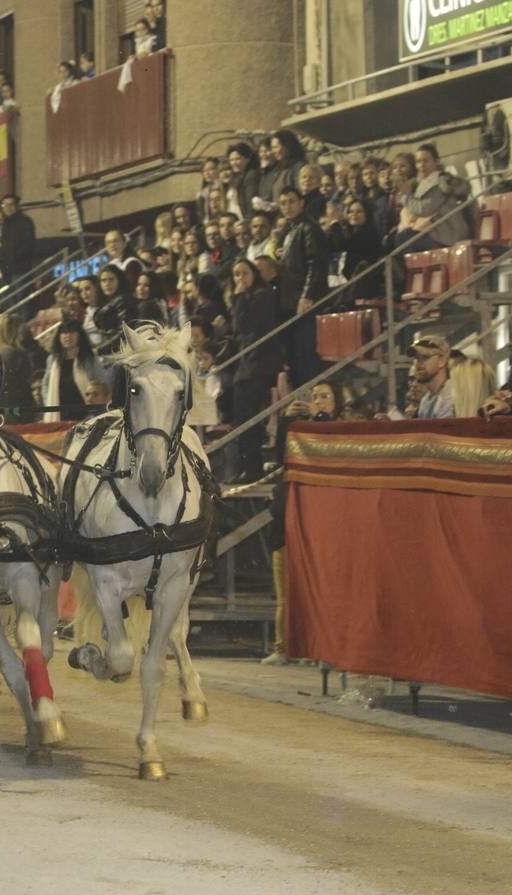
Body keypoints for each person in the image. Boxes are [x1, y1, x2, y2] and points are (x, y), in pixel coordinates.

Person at [265, 380, 342, 665]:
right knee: (285, 589)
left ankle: (324, 649)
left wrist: (320, 418)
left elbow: (331, 446)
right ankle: (282, 646)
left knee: (323, 588)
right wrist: (287, 421)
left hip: (321, 521)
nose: (318, 401)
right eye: (314, 396)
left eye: (325, 396)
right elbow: (282, 460)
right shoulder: (296, 428)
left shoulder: (337, 427)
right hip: (288, 518)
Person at [228, 260, 282, 481]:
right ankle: (247, 467)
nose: (240, 278)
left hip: (260, 363)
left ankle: (252, 468)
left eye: (244, 273)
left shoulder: (264, 296)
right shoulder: (248, 298)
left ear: (254, 274)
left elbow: (244, 326)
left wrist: (237, 298)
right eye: (236, 274)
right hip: (247, 364)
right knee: (240, 418)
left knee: (248, 417)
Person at [275, 187, 329, 389]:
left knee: (304, 355)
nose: (287, 206)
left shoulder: (309, 227)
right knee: (294, 357)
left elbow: (315, 263)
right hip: (290, 302)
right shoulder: (290, 230)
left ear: (301, 203)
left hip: (303, 302)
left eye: (291, 201)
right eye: (283, 203)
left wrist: (307, 296)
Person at [40, 317, 105, 423]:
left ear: (79, 335)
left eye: (72, 332)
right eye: (64, 333)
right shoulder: (53, 359)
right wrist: (50, 403)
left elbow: (101, 382)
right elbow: (45, 385)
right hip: (60, 414)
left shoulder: (89, 358)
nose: (67, 336)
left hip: (86, 413)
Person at [0, 314, 37, 423]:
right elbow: (25, 382)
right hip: (17, 410)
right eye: (20, 333)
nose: (22, 337)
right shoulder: (16, 354)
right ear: (11, 333)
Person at [0, 194, 37, 291]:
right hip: (6, 270)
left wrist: (14, 257)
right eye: (5, 205)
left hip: (20, 268)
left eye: (11, 205)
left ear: (16, 206)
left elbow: (28, 244)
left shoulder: (25, 221)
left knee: (21, 298)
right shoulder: (5, 224)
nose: (8, 208)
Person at [409, 335, 455, 419]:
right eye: (416, 358)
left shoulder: (450, 397)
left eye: (425, 357)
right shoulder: (426, 400)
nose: (418, 364)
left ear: (442, 360)